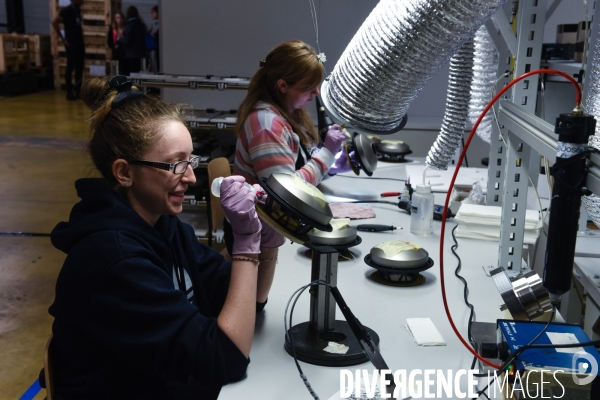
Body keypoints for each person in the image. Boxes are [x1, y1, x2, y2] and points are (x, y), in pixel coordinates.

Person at [45, 75, 271, 399]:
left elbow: (250, 298)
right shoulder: (115, 261)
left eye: (190, 160)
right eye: (175, 164)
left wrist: (267, 236)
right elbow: (225, 359)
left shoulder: (165, 226)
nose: (191, 177)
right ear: (124, 172)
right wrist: (247, 247)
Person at [225, 40, 350, 267]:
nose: (315, 92)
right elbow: (287, 194)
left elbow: (296, 165)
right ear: (282, 85)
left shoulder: (287, 114)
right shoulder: (266, 125)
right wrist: (328, 153)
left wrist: (332, 165)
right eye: (307, 86)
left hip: (271, 229)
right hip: (259, 235)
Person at [52, 0, 84, 101]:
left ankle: (78, 91)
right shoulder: (67, 10)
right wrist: (63, 39)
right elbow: (54, 22)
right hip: (71, 43)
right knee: (71, 67)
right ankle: (69, 92)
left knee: (80, 67)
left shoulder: (78, 10)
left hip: (79, 42)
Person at [121, 6, 147, 75]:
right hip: (141, 53)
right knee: (139, 74)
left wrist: (119, 39)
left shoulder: (129, 26)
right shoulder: (141, 25)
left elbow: (127, 41)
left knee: (132, 74)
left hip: (131, 55)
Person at [148, 5, 160, 72]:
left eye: (153, 12)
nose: (152, 14)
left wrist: (155, 33)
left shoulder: (160, 24)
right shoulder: (153, 24)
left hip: (158, 49)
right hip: (153, 49)